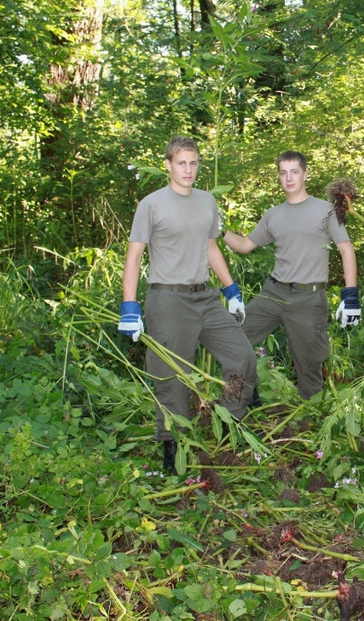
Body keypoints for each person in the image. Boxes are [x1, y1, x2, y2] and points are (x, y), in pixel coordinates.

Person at [118, 136, 258, 474]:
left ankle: (228, 427)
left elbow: (211, 247)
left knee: (242, 357)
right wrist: (129, 308)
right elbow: (134, 256)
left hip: (205, 296)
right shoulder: (151, 204)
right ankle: (173, 452)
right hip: (168, 299)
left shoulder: (207, 201)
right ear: (167, 164)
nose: (188, 169)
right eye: (181, 163)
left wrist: (232, 290)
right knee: (171, 377)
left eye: (193, 163)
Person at [223, 150, 360, 402]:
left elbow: (345, 248)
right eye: (283, 173)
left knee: (309, 363)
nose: (289, 178)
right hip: (274, 293)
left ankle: (313, 419)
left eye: (294, 172)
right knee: (234, 337)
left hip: (309, 298)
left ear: (305, 174)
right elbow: (244, 245)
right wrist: (220, 229)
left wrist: (350, 296)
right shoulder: (273, 214)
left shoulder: (327, 210)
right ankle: (246, 396)